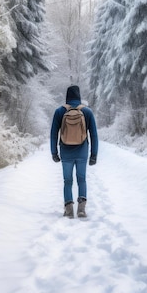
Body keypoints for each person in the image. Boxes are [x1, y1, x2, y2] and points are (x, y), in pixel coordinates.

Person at [50, 85, 98, 218]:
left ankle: (69, 209)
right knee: (81, 179)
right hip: (82, 151)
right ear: (79, 96)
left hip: (66, 152)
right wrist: (94, 154)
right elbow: (94, 134)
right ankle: (81, 209)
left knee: (67, 180)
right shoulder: (87, 112)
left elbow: (54, 133)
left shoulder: (60, 111)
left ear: (67, 96)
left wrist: (54, 152)